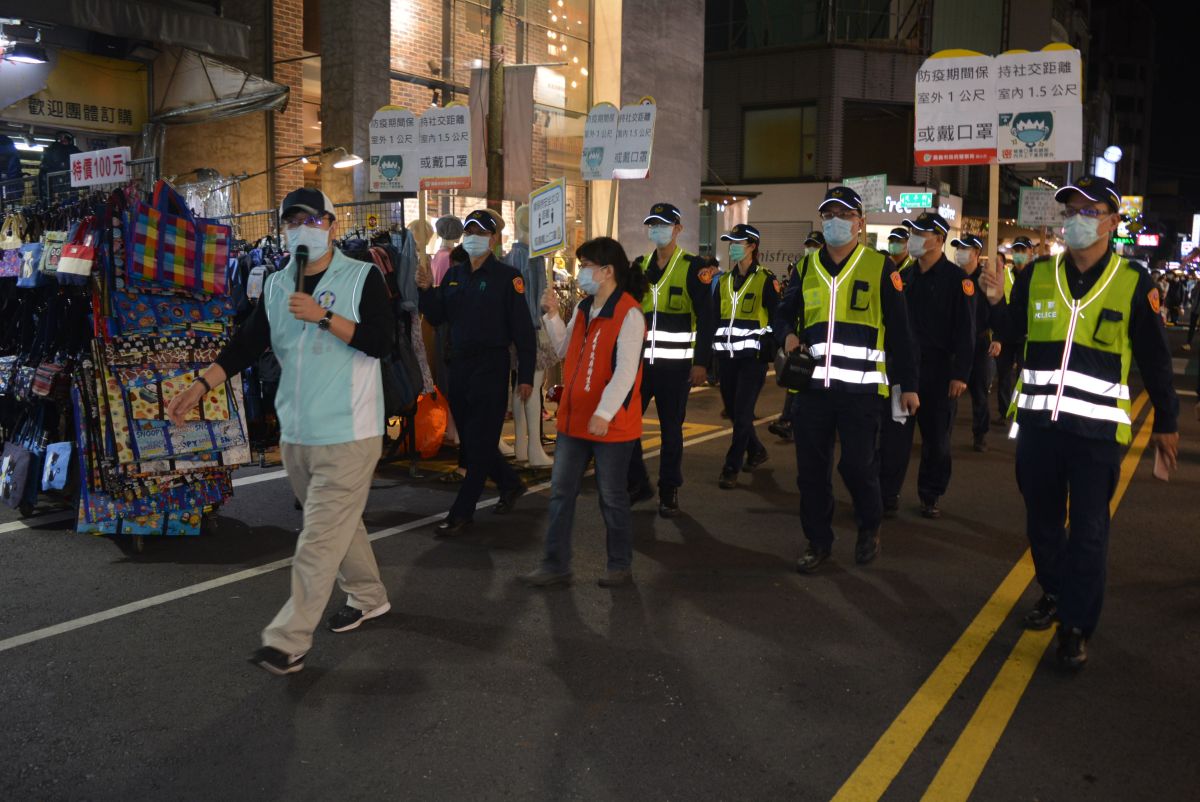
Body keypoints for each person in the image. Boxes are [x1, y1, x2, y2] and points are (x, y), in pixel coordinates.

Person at [166, 188, 395, 676]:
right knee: (338, 524)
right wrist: (198, 387)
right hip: (297, 434)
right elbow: (246, 345)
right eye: (292, 221)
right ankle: (369, 596)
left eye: (310, 219)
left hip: (351, 432)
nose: (301, 228)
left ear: (331, 224)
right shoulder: (274, 285)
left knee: (317, 537)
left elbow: (383, 342)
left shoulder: (362, 276)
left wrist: (325, 317)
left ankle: (287, 640)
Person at [981, 174, 1180, 670]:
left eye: (1089, 212)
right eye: (1070, 211)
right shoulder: (1037, 275)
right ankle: (1055, 591)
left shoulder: (1134, 283)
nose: (1076, 221)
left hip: (1095, 436)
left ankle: (1074, 626)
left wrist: (1167, 421)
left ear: (1112, 222)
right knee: (1041, 523)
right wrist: (993, 302)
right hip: (1039, 428)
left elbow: (1156, 360)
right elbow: (1012, 335)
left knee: (1090, 532)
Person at [774, 186, 918, 573]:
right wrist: (786, 332)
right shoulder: (805, 268)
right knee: (811, 472)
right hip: (813, 390)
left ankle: (869, 526)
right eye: (829, 214)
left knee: (857, 466)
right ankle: (817, 541)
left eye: (844, 213)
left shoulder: (879, 267)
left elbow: (901, 332)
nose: (836, 220)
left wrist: (908, 387)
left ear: (860, 222)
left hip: (862, 391)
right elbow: (782, 313)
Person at [519, 237, 648, 588]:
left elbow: (625, 372)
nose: (580, 273)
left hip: (611, 425)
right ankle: (554, 564)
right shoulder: (583, 308)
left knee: (612, 496)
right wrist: (551, 316)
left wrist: (605, 413)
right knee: (561, 493)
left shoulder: (629, 314)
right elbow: (563, 350)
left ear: (607, 271)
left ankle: (619, 564)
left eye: (586, 265)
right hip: (573, 421)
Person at [416, 209, 536, 534]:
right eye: (469, 231)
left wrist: (525, 375)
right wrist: (427, 291)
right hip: (460, 367)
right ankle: (510, 483)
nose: (473, 237)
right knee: (472, 440)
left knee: (480, 441)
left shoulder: (508, 278)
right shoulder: (456, 276)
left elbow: (523, 332)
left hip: (492, 367)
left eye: (480, 232)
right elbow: (438, 316)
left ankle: (461, 511)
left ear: (493, 239)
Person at [877, 212, 974, 519]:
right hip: (904, 371)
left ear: (939, 239)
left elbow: (966, 332)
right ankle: (887, 493)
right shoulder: (902, 277)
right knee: (895, 436)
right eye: (913, 232)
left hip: (940, 373)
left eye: (922, 233)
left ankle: (930, 494)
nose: (915, 238)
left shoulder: (958, 281)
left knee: (936, 440)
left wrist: (960, 374)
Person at [626, 202, 716, 518]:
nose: (657, 230)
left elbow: (706, 318)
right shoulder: (639, 266)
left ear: (677, 229)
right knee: (626, 425)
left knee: (671, 430)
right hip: (639, 366)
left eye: (664, 225)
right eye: (653, 225)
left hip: (676, 368)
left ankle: (669, 488)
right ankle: (637, 481)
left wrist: (701, 362)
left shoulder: (693, 267)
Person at [713, 224, 778, 488]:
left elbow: (776, 318)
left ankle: (732, 466)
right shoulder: (724, 281)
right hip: (726, 359)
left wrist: (768, 347)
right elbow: (716, 318)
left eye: (738, 243)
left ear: (752, 246)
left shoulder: (765, 279)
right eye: (731, 243)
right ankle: (757, 450)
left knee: (741, 413)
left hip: (752, 359)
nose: (733, 247)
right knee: (733, 411)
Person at [950, 233, 1000, 452]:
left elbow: (997, 311)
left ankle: (980, 434)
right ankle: (944, 433)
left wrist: (997, 339)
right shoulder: (952, 278)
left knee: (979, 392)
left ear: (976, 253)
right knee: (950, 390)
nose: (960, 252)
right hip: (955, 344)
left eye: (965, 248)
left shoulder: (985, 279)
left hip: (980, 343)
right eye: (958, 248)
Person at [995, 236, 1034, 420]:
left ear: (1030, 253)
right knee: (1003, 375)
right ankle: (1004, 412)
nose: (1018, 254)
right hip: (1007, 334)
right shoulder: (1006, 276)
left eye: (1022, 251)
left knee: (1023, 375)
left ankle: (1020, 411)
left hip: (1027, 334)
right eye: (1016, 251)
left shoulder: (1037, 276)